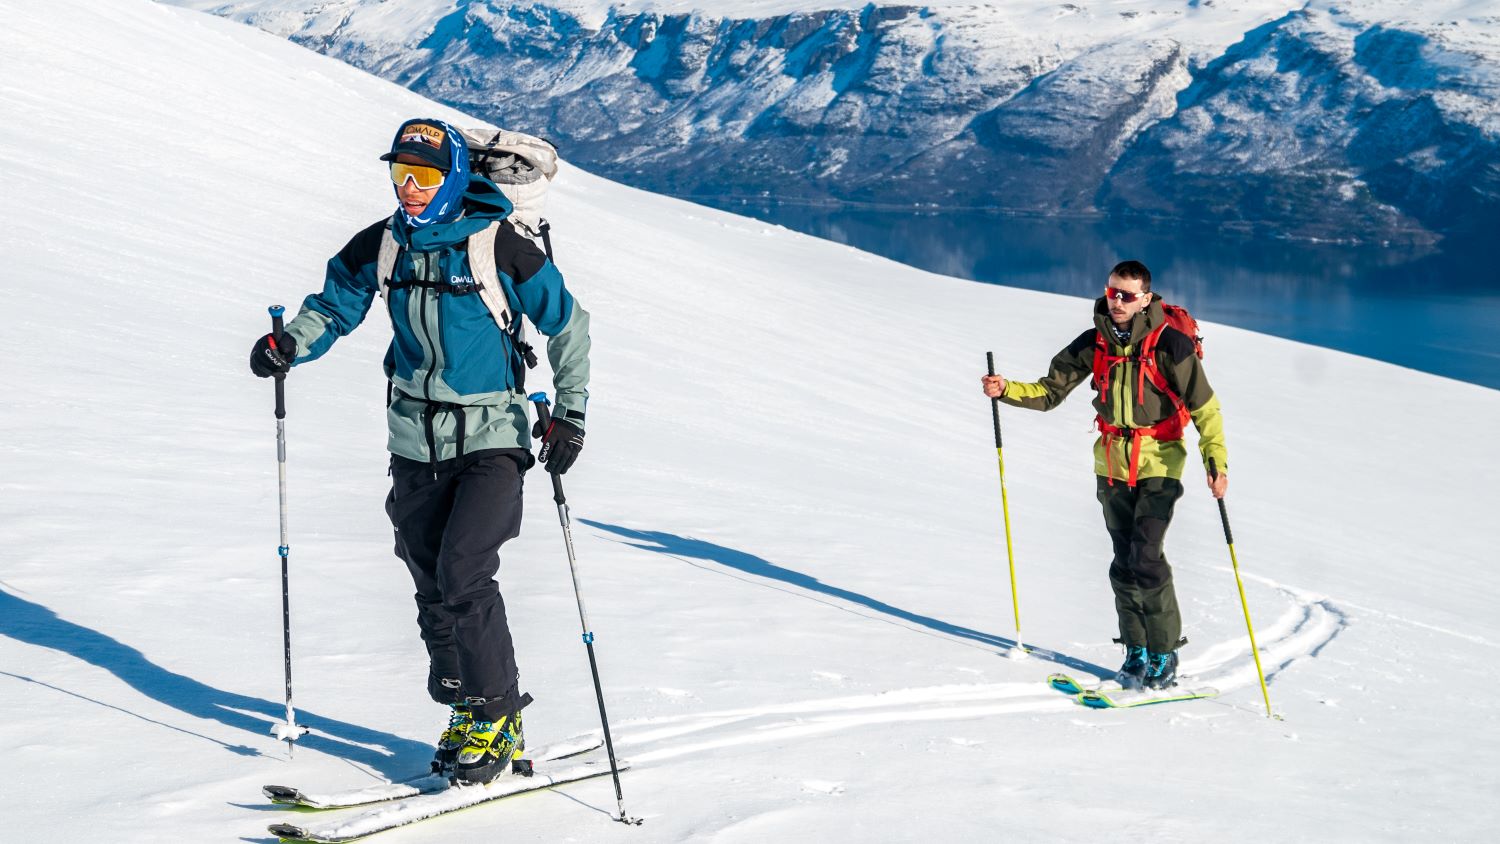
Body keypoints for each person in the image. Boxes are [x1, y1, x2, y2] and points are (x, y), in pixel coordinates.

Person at [249, 118, 591, 784]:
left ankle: (496, 713)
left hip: (491, 436)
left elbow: (569, 324)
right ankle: (470, 703)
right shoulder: (383, 245)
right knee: (429, 573)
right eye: (400, 174)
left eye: (425, 176)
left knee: (465, 570)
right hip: (413, 439)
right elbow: (336, 303)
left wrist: (570, 414)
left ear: (455, 178)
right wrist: (290, 343)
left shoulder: (499, 245)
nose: (409, 188)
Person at [981, 260, 1226, 690]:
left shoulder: (1171, 346)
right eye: (1112, 291)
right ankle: (1136, 650)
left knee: (1145, 557)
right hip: (1110, 465)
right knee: (1122, 563)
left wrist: (1215, 462)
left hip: (1159, 464)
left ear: (1146, 299)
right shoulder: (1092, 342)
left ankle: (1164, 652)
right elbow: (1050, 391)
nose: (1116, 301)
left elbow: (1205, 408)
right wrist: (1007, 391)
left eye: (1127, 295)